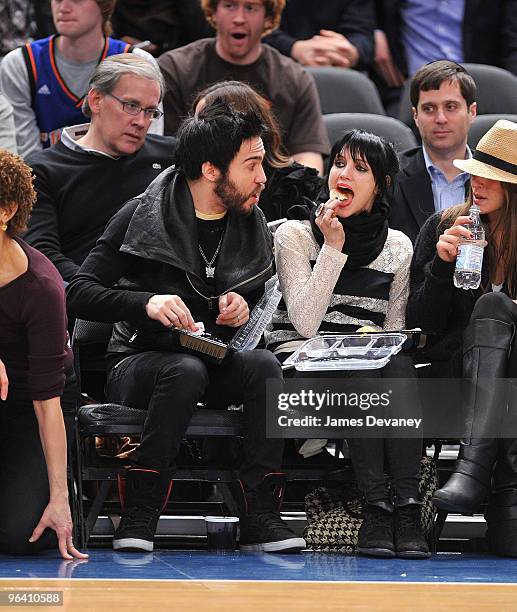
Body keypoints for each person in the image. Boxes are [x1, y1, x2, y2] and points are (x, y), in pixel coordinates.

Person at [66, 101, 306, 554]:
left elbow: (244, 286)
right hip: (137, 362)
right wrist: (145, 303)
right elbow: (77, 292)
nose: (263, 178)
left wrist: (238, 303)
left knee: (263, 366)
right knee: (183, 370)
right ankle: (141, 510)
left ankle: (261, 515)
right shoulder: (142, 212)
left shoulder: (250, 221)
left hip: (209, 354)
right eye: (252, 165)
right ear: (211, 169)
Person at [269, 129, 430, 558]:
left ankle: (405, 507)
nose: (344, 174)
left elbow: (392, 332)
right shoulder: (295, 235)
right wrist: (333, 247)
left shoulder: (398, 247)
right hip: (302, 367)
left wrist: (376, 346)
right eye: (339, 163)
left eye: (360, 169)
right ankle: (377, 507)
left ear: (382, 185)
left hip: (366, 369)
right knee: (371, 372)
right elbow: (303, 323)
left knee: (394, 366)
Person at [406, 119, 517, 557]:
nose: (476, 181)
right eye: (475, 171)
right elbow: (421, 325)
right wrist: (440, 267)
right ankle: (475, 472)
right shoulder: (445, 226)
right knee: (492, 308)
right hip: (452, 376)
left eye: (492, 176)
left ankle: (482, 476)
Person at [0, 149, 86, 559]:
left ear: (7, 211)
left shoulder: (41, 288)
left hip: (29, 402)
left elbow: (47, 403)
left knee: (21, 534)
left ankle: (52, 491)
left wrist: (59, 499)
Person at [24, 53, 176, 283]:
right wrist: (103, 294)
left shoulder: (171, 156)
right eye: (131, 106)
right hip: (90, 303)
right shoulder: (43, 170)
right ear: (96, 100)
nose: (142, 121)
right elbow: (43, 256)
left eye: (150, 112)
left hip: (171, 298)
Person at [158, 0, 329, 174]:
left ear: (268, 18)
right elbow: (163, 151)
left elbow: (308, 157)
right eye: (229, 6)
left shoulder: (294, 79)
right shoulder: (175, 69)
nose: (239, 18)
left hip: (268, 190)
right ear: (214, 13)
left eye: (250, 8)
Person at [0, 0, 161, 158]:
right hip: (44, 181)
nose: (63, 8)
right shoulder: (22, 63)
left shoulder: (138, 63)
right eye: (57, 0)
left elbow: (149, 150)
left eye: (76, 0)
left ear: (104, 5)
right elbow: (25, 160)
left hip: (121, 178)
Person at [192, 80, 323, 222]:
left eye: (207, 120)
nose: (198, 129)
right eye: (197, 120)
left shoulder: (295, 188)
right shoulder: (199, 180)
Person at [373, 0, 517, 114]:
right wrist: (375, 31)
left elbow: (513, 47)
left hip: (481, 92)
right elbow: (360, 18)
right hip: (411, 92)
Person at [389, 61, 477, 244]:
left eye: (451, 107)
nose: (440, 118)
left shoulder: (498, 179)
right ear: (415, 116)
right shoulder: (388, 175)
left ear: (472, 112)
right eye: (429, 109)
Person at [262, 0, 374, 71]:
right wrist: (294, 48)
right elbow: (258, 29)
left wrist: (351, 50)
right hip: (278, 68)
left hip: (340, 67)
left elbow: (364, 35)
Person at [111, 0, 213, 57]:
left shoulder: (190, 7)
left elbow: (201, 43)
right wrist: (119, 45)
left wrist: (161, 50)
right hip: (120, 58)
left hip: (175, 60)